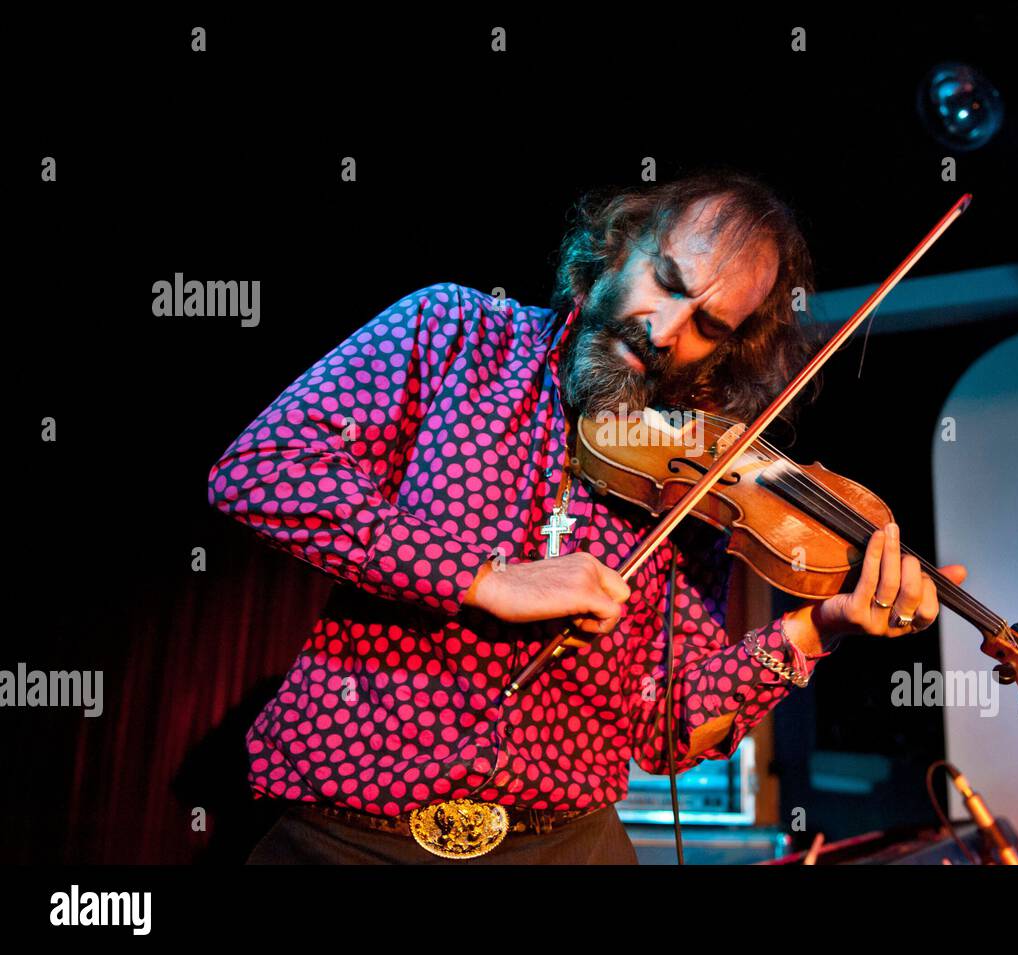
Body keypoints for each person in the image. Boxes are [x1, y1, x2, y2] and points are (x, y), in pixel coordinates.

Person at [208, 169, 967, 864]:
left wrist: (816, 627)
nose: (667, 331)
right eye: (666, 283)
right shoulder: (453, 332)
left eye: (708, 326)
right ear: (614, 247)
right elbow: (261, 470)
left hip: (563, 843)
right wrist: (485, 579)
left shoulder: (694, 479)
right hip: (345, 833)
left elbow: (663, 725)